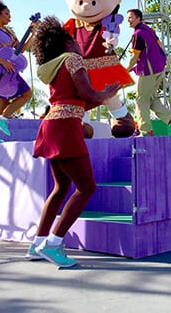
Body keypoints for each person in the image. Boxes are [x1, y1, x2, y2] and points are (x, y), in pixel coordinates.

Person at [25, 16, 119, 267]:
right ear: (67, 44)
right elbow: (88, 94)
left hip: (52, 125)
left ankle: (37, 243)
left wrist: (101, 96)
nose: (79, 44)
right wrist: (108, 94)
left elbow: (79, 100)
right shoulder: (73, 59)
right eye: (74, 40)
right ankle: (53, 244)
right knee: (86, 187)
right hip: (66, 128)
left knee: (61, 188)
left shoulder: (55, 67)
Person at [64, 0, 135, 137]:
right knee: (81, 97)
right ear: (69, 0)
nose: (86, 6)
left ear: (115, 0)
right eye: (80, 1)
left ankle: (123, 119)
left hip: (102, 65)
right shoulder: (72, 24)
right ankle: (82, 124)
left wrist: (111, 41)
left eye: (93, 1)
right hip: (80, 69)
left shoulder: (108, 21)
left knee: (108, 95)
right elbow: (60, 38)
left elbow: (112, 34)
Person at [0, 0, 32, 143]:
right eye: (6, 13)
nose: (10, 16)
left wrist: (32, 32)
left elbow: (20, 50)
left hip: (9, 70)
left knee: (2, 103)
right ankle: (4, 118)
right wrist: (3, 62)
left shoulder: (9, 32)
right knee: (27, 93)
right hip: (2, 70)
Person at [125, 8, 171, 136]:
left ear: (138, 18)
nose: (128, 20)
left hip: (148, 70)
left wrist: (126, 70)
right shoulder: (149, 31)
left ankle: (145, 130)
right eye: (127, 17)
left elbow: (134, 58)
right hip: (159, 68)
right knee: (150, 97)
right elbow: (160, 45)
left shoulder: (137, 34)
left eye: (131, 17)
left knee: (140, 99)